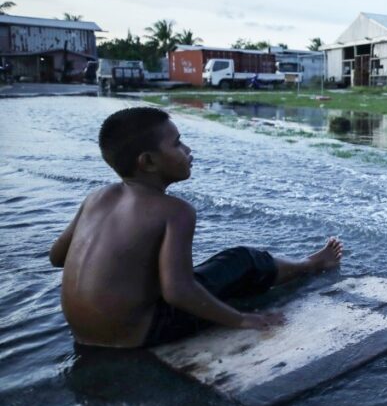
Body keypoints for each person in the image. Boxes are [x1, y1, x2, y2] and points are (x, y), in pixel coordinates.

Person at [49, 107, 343, 348]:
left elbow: (57, 257)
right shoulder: (175, 211)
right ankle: (310, 264)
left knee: (195, 270)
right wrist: (242, 320)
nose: (188, 149)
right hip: (136, 334)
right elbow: (178, 291)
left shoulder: (97, 197)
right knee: (241, 261)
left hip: (83, 333)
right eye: (177, 143)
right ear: (148, 161)